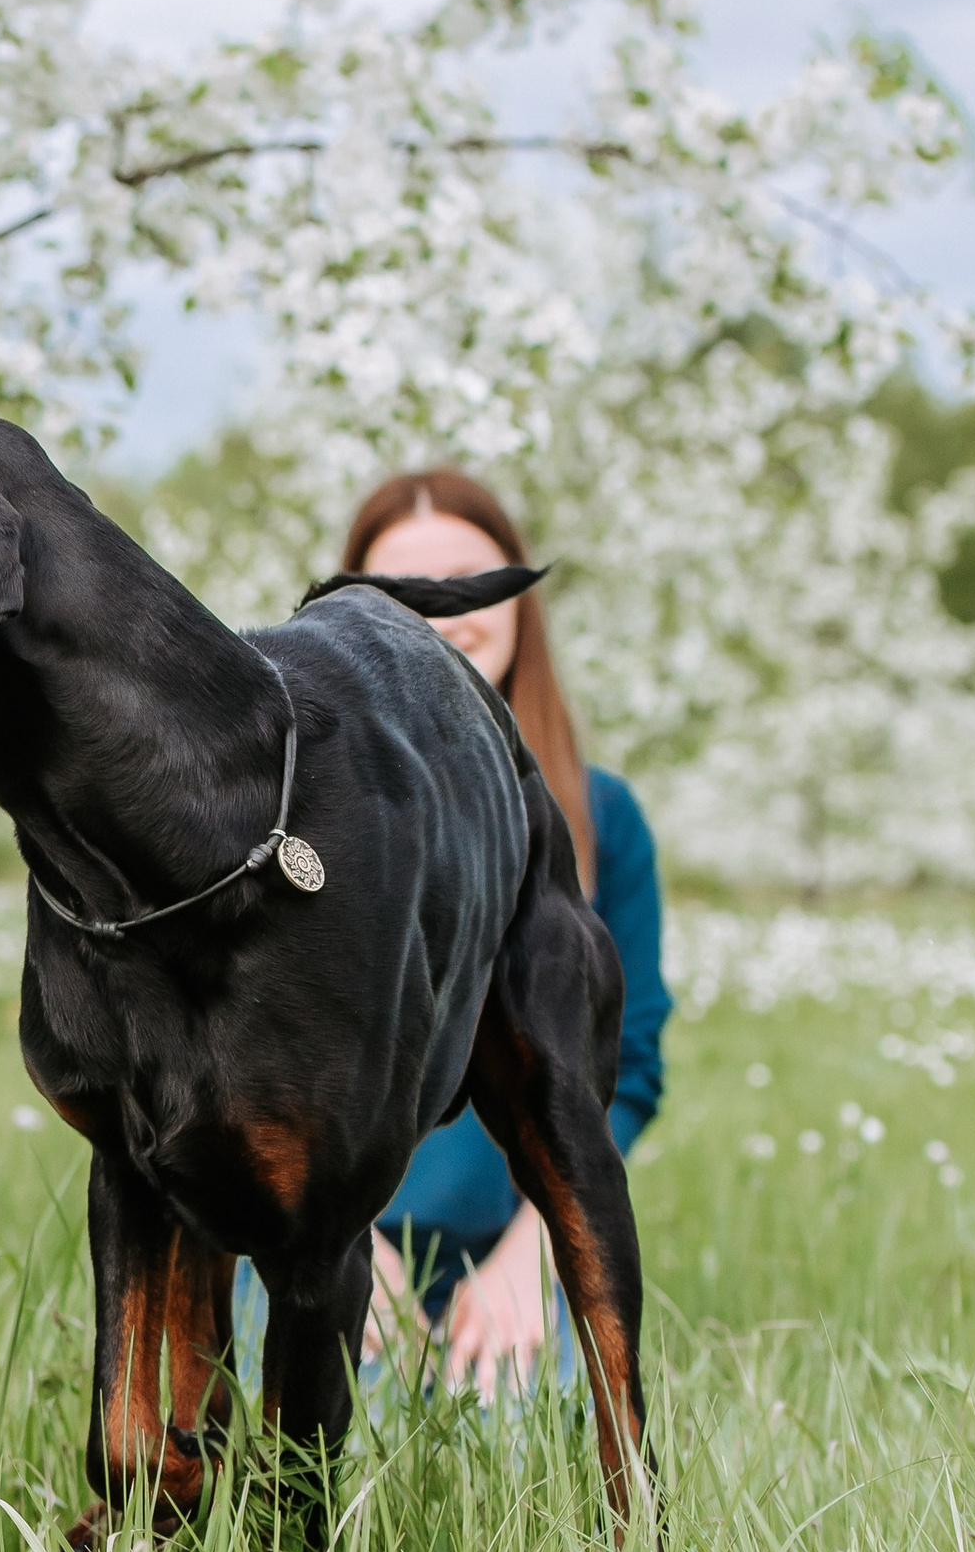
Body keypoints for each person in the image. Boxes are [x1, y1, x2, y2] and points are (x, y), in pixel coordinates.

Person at [235, 469, 669, 1406]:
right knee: (327, 1450)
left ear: (519, 600)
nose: (446, 610)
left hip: (515, 1250)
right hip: (312, 1239)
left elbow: (629, 1069)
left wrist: (535, 1258)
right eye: (401, 589)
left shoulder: (603, 818)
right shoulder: (286, 816)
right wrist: (344, 1245)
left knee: (512, 1457)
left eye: (472, 580)